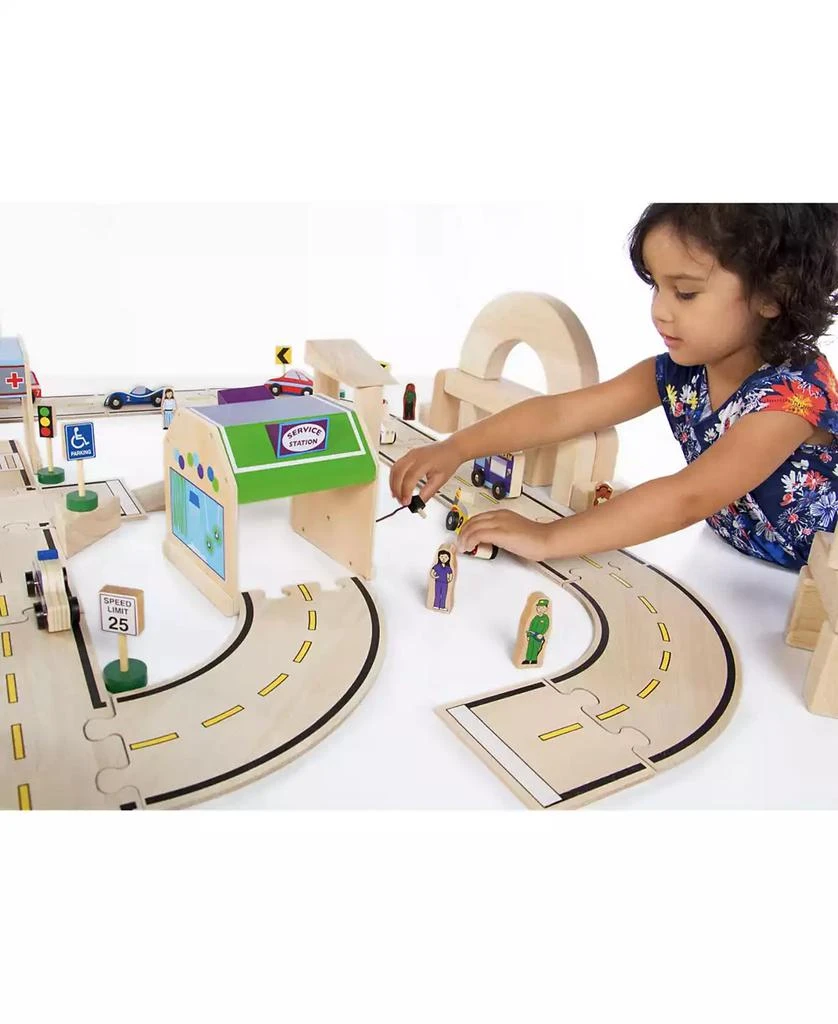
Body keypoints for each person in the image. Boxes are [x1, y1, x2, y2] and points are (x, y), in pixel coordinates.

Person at [390, 205, 838, 570]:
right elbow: (562, 413)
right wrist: (456, 447)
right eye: (656, 286)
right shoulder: (683, 371)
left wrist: (547, 537)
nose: (659, 310)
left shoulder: (794, 399)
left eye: (685, 293)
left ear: (772, 294)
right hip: (734, 564)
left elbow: (689, 497)